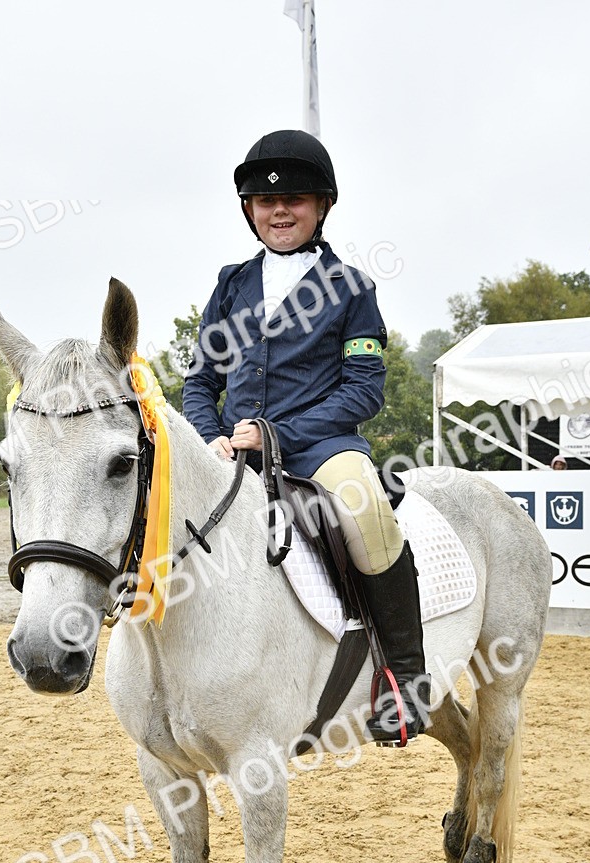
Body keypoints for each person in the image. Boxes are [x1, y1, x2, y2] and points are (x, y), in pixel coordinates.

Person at [182, 129, 430, 743]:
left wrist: (276, 435)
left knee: (366, 509)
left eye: (294, 199)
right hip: (231, 446)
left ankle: (405, 681)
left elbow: (363, 391)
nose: (279, 211)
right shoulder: (230, 284)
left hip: (322, 449)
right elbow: (199, 381)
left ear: (321, 206)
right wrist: (209, 436)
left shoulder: (351, 288)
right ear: (250, 211)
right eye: (266, 203)